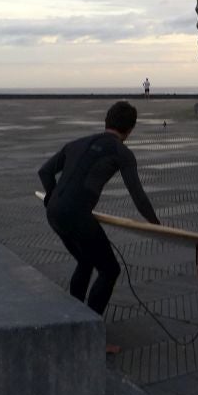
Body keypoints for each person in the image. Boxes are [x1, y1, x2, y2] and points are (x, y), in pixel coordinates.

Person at [38, 99, 159, 319]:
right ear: (130, 129)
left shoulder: (76, 143)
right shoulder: (121, 152)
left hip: (53, 212)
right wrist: (157, 225)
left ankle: (75, 322)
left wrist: (52, 197)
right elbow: (138, 197)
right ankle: (92, 330)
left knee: (86, 261)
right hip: (77, 215)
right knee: (110, 270)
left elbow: (44, 172)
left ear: (106, 121)